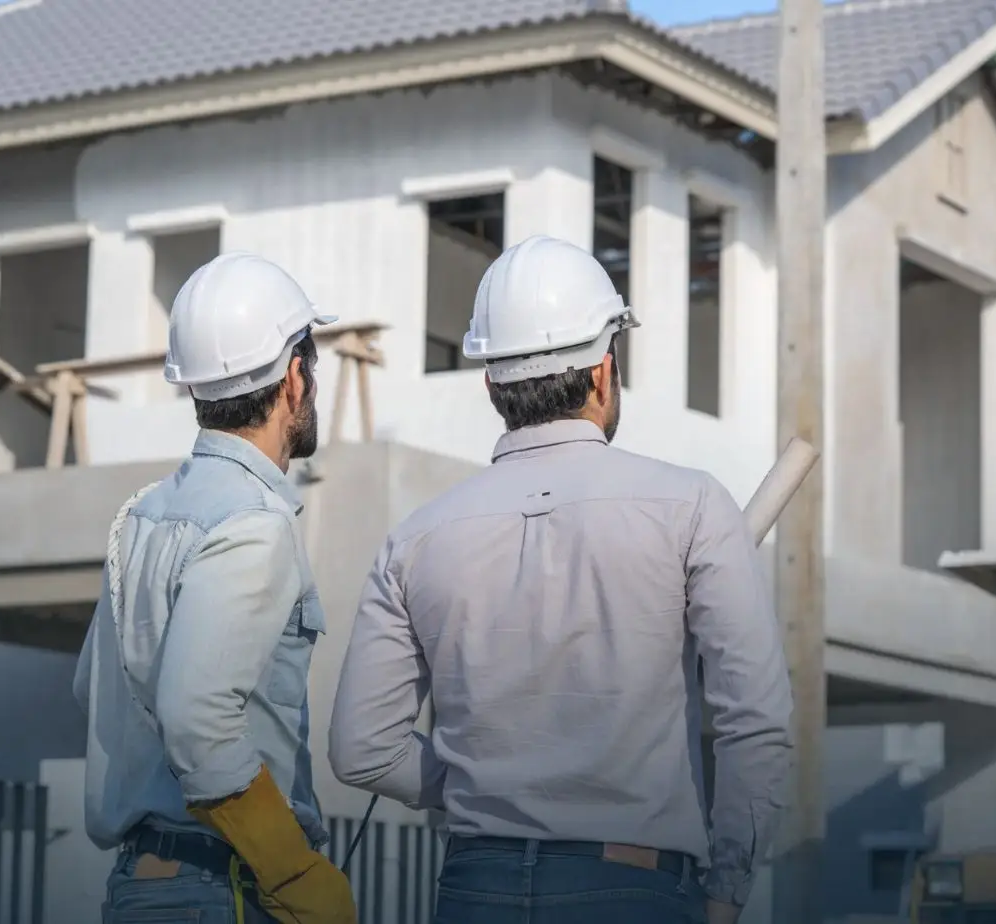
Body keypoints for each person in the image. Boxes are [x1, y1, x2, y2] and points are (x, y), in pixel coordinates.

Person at [328, 235, 794, 924]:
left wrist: (470, 781)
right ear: (605, 372)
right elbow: (755, 724)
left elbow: (361, 751)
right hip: (633, 888)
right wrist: (725, 893)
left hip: (472, 888)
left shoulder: (415, 540)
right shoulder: (692, 507)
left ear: (492, 385)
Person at [73, 252, 358, 924]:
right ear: (294, 379)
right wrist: (290, 866)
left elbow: (93, 688)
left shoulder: (141, 513)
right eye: (309, 370)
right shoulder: (255, 522)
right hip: (223, 888)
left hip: (139, 883)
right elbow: (198, 717)